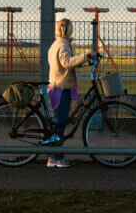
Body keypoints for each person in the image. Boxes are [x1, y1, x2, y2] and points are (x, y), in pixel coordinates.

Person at [46, 18, 95, 168]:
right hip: (61, 88)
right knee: (60, 124)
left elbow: (67, 62)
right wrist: (86, 55)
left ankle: (53, 157)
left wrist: (83, 59)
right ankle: (57, 158)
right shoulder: (63, 45)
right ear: (69, 30)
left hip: (57, 86)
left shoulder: (57, 44)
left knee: (59, 123)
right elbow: (67, 62)